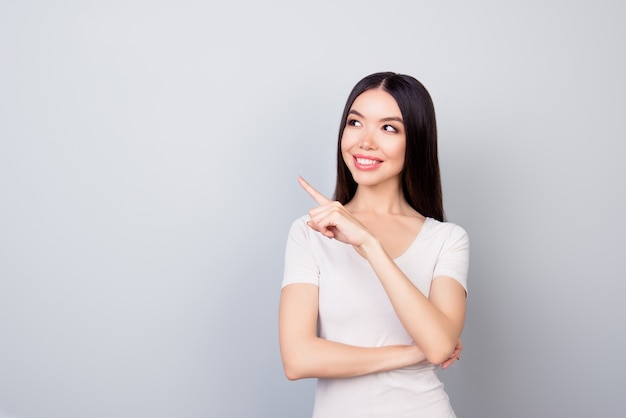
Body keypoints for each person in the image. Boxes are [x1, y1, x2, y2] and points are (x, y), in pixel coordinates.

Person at [279, 72, 469, 417]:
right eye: (355, 122)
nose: (365, 141)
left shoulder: (447, 239)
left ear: (416, 142)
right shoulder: (309, 232)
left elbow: (440, 344)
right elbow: (297, 359)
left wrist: (369, 244)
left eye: (388, 128)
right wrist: (413, 353)